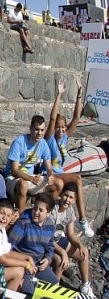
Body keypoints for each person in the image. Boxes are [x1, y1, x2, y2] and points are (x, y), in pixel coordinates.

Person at [46, 77, 93, 237]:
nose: (60, 130)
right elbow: (52, 119)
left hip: (61, 171)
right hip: (50, 173)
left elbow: (76, 118)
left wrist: (80, 94)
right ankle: (82, 220)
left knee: (75, 183)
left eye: (62, 127)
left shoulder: (65, 137)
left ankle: (80, 220)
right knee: (77, 179)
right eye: (58, 127)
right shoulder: (50, 138)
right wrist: (59, 95)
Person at [8, 193, 59, 293]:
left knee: (55, 285)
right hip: (24, 265)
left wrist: (48, 259)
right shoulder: (23, 223)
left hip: (39, 264)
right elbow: (8, 246)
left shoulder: (50, 225)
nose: (36, 212)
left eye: (41, 210)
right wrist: (24, 263)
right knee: (29, 292)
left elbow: (50, 245)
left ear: (48, 213)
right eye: (35, 208)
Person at [51, 184, 94, 295]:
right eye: (66, 195)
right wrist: (63, 252)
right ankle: (53, 289)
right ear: (61, 195)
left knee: (83, 253)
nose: (67, 200)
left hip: (60, 240)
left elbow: (70, 233)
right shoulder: (52, 209)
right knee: (61, 261)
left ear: (74, 200)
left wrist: (79, 245)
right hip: (48, 242)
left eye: (71, 198)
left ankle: (85, 286)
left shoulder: (70, 211)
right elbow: (47, 238)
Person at [5, 115, 53, 212]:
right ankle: (20, 217)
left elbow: (49, 167)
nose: (39, 133)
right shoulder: (19, 142)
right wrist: (31, 179)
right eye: (37, 129)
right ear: (30, 128)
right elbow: (14, 171)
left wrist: (50, 174)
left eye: (42, 130)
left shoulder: (43, 143)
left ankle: (47, 213)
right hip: (13, 178)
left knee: (58, 184)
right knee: (23, 185)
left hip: (31, 177)